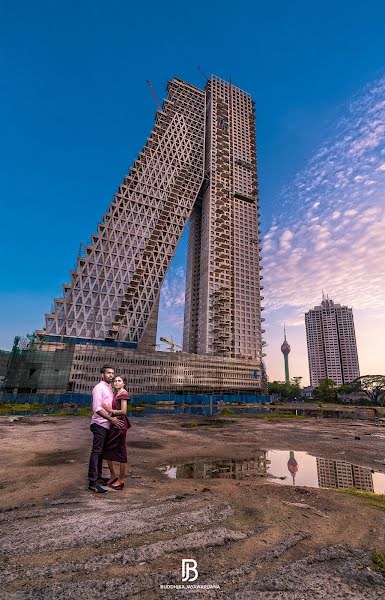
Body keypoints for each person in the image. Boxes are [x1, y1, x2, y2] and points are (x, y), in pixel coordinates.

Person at [88, 364, 122, 493]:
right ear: (102, 374)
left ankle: (98, 476)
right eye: (108, 373)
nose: (111, 375)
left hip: (106, 425)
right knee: (96, 452)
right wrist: (112, 419)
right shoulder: (99, 388)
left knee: (101, 452)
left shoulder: (109, 388)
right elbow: (96, 409)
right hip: (99, 424)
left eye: (112, 373)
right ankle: (92, 482)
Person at [101, 374, 130, 490]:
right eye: (115, 381)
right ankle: (113, 475)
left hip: (120, 425)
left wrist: (110, 410)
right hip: (114, 424)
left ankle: (121, 480)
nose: (116, 382)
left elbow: (123, 411)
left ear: (124, 383)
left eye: (119, 381)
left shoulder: (123, 393)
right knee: (107, 449)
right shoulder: (117, 393)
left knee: (121, 452)